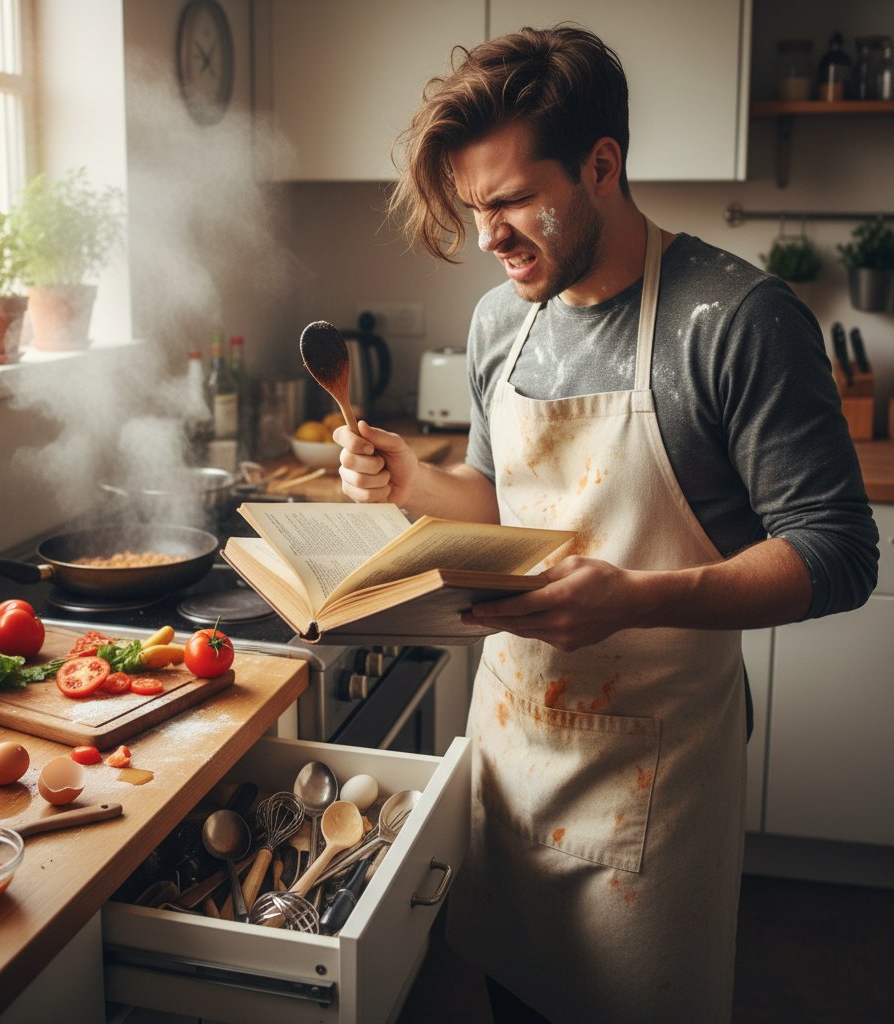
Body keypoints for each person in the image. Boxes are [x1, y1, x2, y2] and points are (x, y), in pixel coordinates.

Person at [333, 24, 879, 1024]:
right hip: (512, 745)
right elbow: (504, 505)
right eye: (471, 208)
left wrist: (634, 599)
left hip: (653, 778)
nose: (489, 237)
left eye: (507, 201)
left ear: (600, 165)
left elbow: (838, 554)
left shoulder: (734, 320)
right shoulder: (503, 320)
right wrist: (415, 479)